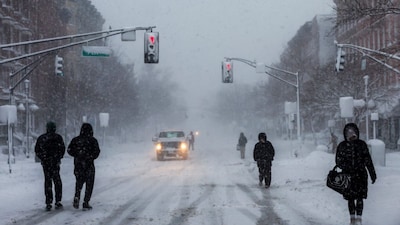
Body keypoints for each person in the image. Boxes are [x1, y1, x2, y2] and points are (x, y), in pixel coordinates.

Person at [335, 123, 377, 225]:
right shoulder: (342, 146)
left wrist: (372, 174)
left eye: (352, 131)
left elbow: (368, 160)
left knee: (359, 198)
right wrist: (346, 166)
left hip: (360, 175)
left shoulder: (361, 145)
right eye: (348, 132)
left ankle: (358, 218)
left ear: (356, 132)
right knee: (350, 198)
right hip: (348, 176)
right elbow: (338, 161)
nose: (351, 134)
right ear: (345, 133)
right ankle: (352, 219)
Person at [67, 123, 101, 210]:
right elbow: (97, 152)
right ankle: (86, 202)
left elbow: (69, 150)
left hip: (78, 164)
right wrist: (90, 157)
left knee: (79, 182)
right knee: (89, 184)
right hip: (89, 165)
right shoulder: (93, 140)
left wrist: (77, 155)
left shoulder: (76, 140)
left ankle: (77, 195)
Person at [34, 121, 66, 211]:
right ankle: (58, 201)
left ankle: (48, 201)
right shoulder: (58, 138)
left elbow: (37, 150)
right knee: (57, 181)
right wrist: (58, 157)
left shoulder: (42, 138)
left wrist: (43, 158)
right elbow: (62, 149)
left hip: (46, 163)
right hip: (55, 162)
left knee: (48, 181)